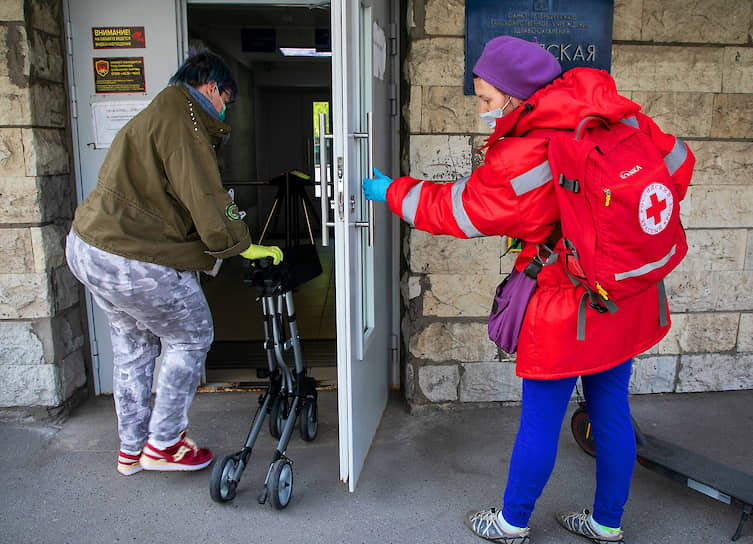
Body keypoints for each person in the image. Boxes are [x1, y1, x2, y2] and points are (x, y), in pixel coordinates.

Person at [363, 36, 694, 543]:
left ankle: (511, 522)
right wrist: (615, 234)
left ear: (518, 97)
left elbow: (459, 211)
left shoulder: (528, 153)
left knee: (541, 419)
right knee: (611, 411)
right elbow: (677, 164)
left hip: (569, 305)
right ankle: (607, 524)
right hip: (626, 293)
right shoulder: (613, 115)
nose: (482, 110)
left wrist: (390, 191)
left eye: (488, 100)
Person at [66, 49, 283, 476]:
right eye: (226, 99)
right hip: (131, 257)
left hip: (91, 248)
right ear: (210, 87)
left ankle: (132, 449)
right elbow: (205, 194)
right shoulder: (182, 119)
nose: (226, 109)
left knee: (133, 350)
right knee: (191, 336)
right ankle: (164, 444)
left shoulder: (161, 113)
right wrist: (242, 244)